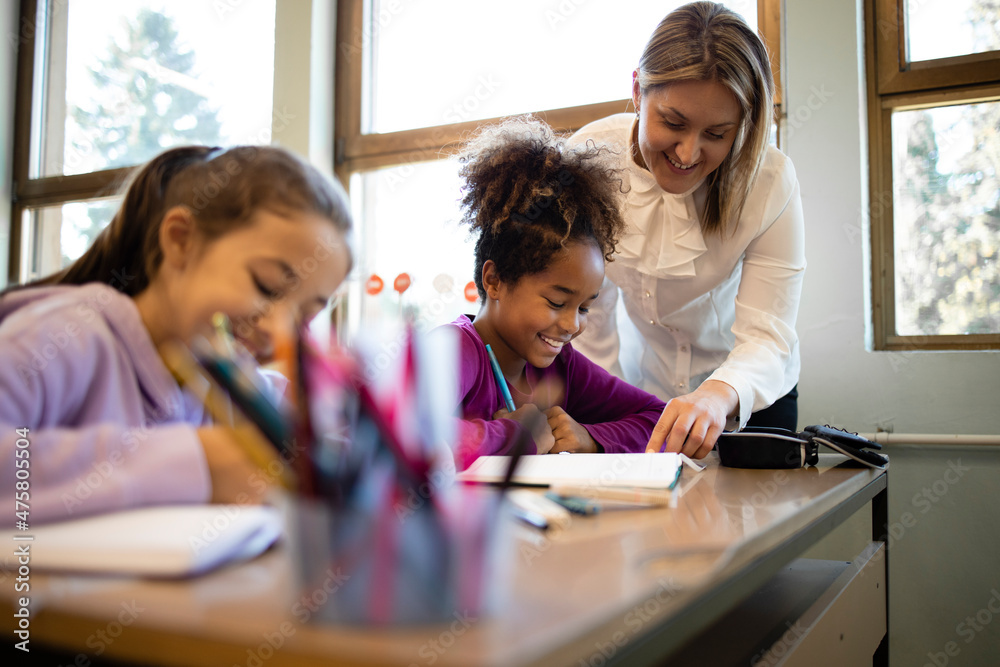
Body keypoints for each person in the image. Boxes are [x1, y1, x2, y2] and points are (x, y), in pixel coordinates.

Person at [0, 145, 353, 524]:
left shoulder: (224, 380)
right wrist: (197, 463)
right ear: (181, 240)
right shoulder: (65, 337)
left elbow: (320, 441)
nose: (278, 330)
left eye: (305, 316)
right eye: (266, 287)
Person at [570, 1, 806, 460]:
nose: (688, 151)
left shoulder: (769, 182)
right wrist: (601, 412)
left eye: (717, 134)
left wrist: (717, 395)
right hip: (637, 390)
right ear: (638, 90)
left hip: (747, 393)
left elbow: (768, 335)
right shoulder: (588, 158)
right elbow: (588, 315)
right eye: (673, 123)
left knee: (752, 525)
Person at [441, 117, 666, 468]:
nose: (572, 324)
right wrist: (517, 436)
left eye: (584, 308)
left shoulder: (563, 365)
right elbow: (402, 432)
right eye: (557, 302)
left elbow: (658, 418)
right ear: (495, 280)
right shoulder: (456, 350)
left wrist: (590, 438)